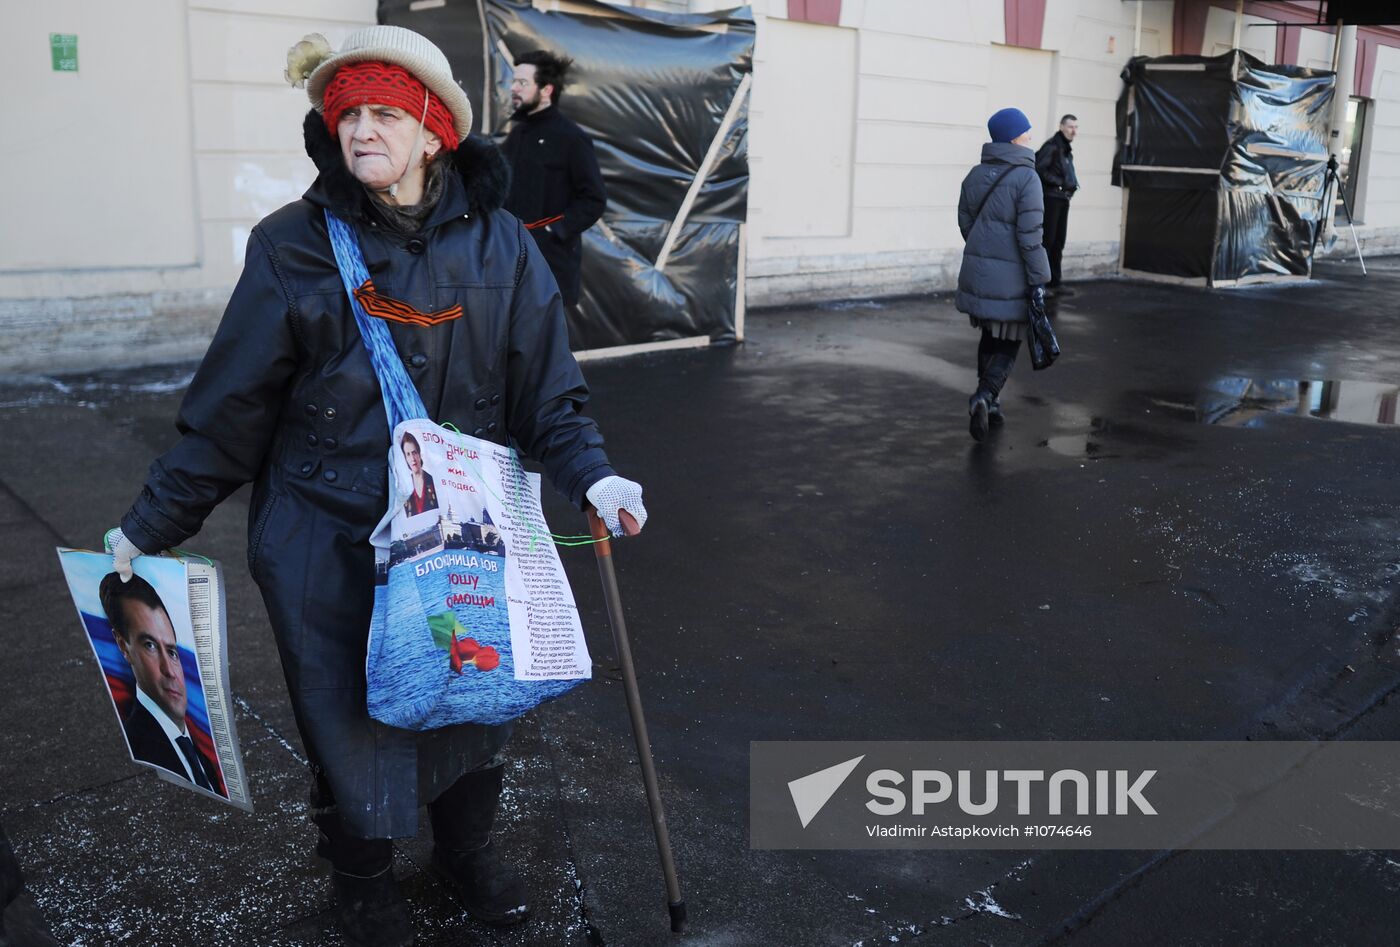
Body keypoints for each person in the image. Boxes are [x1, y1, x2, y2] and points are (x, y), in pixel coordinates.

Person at [105, 25, 648, 947]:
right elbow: (230, 409)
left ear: (434, 130)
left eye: (384, 113)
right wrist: (149, 526)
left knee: (471, 690)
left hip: (462, 523)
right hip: (325, 529)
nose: (361, 129)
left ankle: (465, 851)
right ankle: (361, 879)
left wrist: (593, 475)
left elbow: (548, 395)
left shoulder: (505, 249)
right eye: (347, 112)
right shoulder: (292, 246)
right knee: (347, 713)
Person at [955, 107, 1052, 442]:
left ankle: (991, 405)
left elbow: (966, 221)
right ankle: (984, 396)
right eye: (1026, 131)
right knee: (1010, 340)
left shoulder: (975, 173)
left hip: (979, 273)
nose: (1030, 136)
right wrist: (1040, 279)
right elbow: (1031, 237)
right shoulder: (1027, 178)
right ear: (1013, 137)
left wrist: (987, 250)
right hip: (1012, 278)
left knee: (990, 335)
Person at [501, 49, 607, 315]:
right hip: (511, 264)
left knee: (548, 351)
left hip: (552, 268)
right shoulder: (517, 135)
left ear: (546, 90)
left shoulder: (572, 138)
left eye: (522, 83)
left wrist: (554, 231)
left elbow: (593, 199)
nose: (514, 88)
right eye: (513, 81)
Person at [98, 572, 223, 794]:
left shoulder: (201, 759)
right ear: (123, 645)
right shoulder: (139, 744)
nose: (169, 671)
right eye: (150, 646)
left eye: (172, 652)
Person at [1035, 114, 1079, 294]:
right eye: (1070, 127)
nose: (1074, 131)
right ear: (1061, 127)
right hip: (1052, 199)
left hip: (1062, 200)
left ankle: (1055, 282)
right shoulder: (1052, 146)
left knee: (1059, 241)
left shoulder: (1065, 150)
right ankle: (1042, 285)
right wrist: (1059, 184)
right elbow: (1038, 168)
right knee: (1048, 241)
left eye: (1076, 127)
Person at [400, 432, 438, 516]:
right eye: (408, 454)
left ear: (419, 454)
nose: (412, 458)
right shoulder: (404, 485)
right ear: (405, 458)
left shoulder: (433, 481)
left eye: (414, 453)